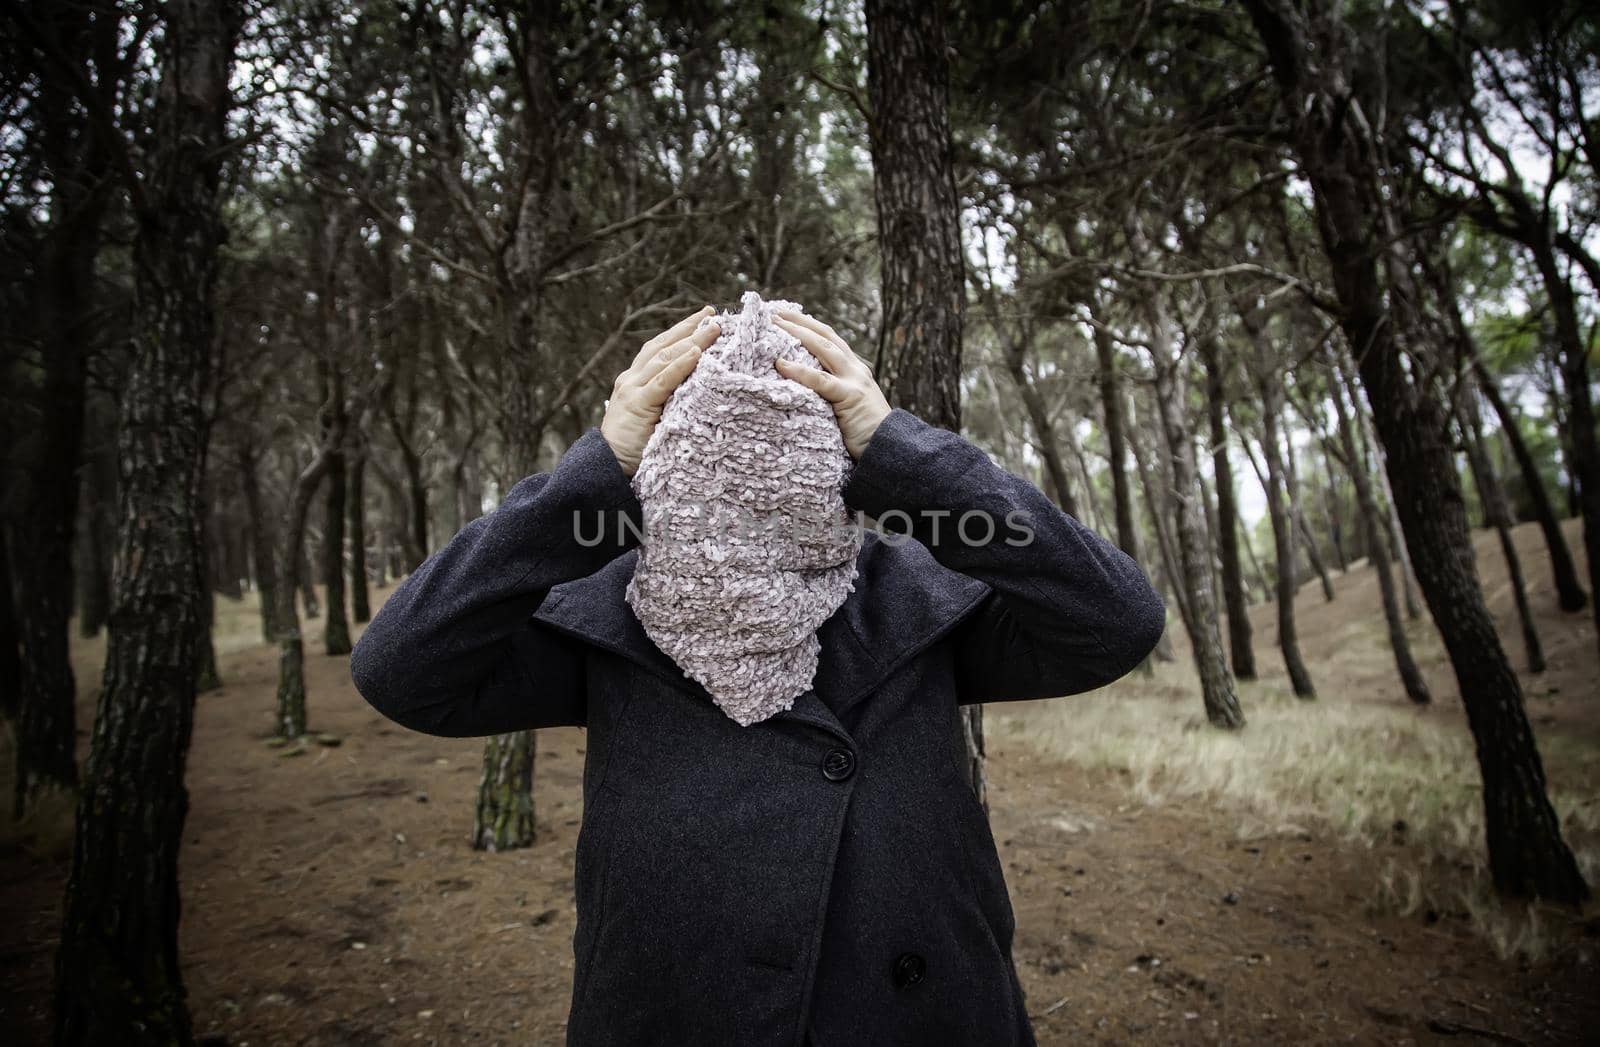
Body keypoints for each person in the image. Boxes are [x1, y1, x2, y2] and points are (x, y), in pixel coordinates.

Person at [349, 304, 1168, 1047]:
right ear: (659, 468)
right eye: (712, 453)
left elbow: (1115, 619)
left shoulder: (915, 597)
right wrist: (589, 475)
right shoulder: (610, 611)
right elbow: (402, 667)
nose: (748, 489)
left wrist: (905, 455)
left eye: (785, 448)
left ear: (838, 466)